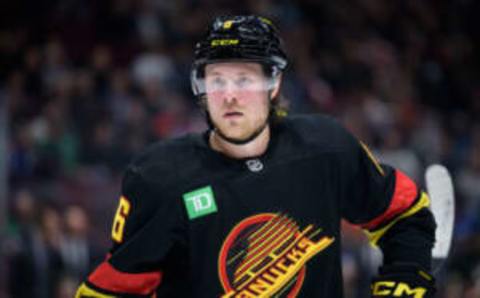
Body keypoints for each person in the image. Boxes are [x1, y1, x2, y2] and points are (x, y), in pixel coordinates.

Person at [76, 15, 436, 297]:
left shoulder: (327, 147)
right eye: (217, 80)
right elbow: (111, 291)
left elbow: (405, 214)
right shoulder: (158, 178)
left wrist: (404, 276)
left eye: (244, 79)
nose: (229, 95)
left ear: (274, 83)